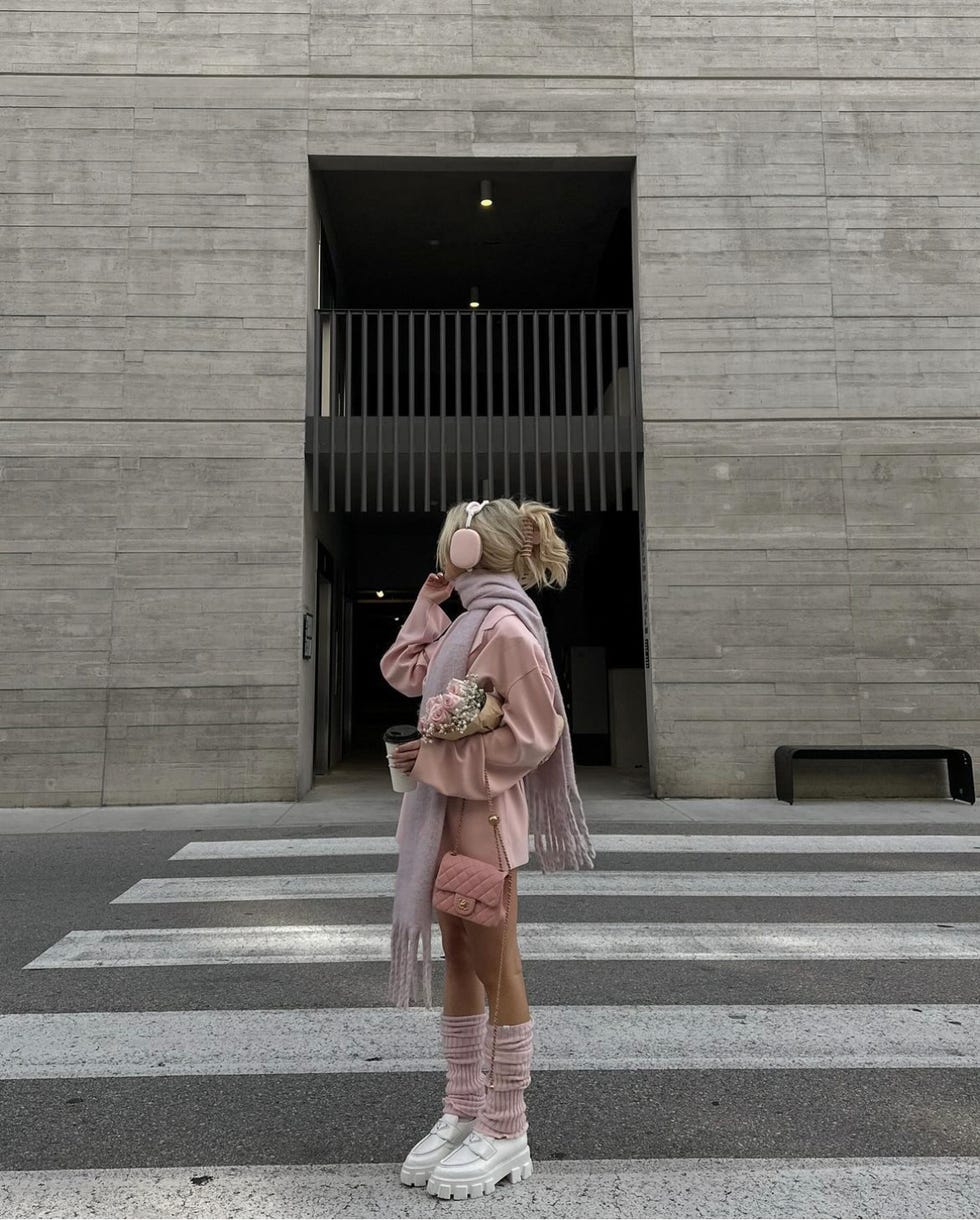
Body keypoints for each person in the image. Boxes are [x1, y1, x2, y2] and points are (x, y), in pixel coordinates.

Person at [379, 497, 595, 1201]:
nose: (445, 553)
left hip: (483, 818)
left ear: (468, 548)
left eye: (451, 545)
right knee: (460, 961)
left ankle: (507, 1125)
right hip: (445, 815)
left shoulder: (504, 631)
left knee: (496, 964)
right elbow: (404, 666)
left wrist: (438, 760)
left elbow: (534, 734)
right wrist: (428, 598)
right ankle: (463, 1108)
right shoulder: (466, 623)